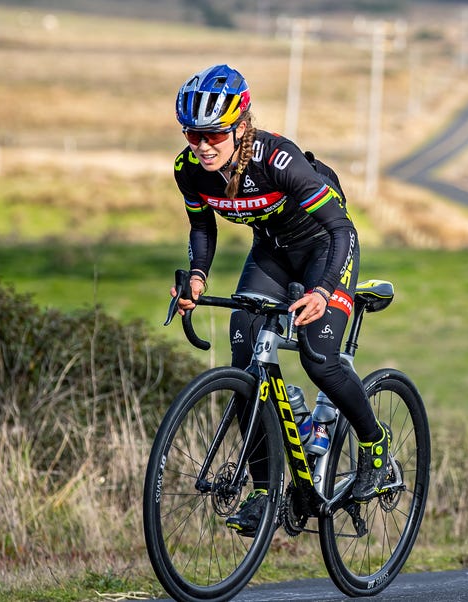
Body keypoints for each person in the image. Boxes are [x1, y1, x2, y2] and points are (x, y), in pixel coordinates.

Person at [168, 64, 393, 536]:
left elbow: (340, 229)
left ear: (241, 126)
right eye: (193, 134)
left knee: (318, 357)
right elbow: (201, 226)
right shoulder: (189, 171)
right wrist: (196, 278)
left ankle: (374, 444)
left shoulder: (278, 160)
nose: (203, 145)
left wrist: (323, 290)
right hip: (271, 251)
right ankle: (265, 491)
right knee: (246, 357)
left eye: (214, 134)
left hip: (325, 246)